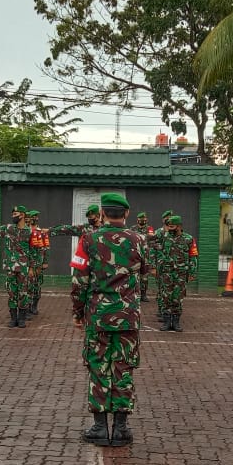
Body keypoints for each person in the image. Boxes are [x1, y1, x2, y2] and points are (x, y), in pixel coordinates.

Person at [71, 192, 146, 447]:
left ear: (102, 214)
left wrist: (78, 312)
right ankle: (122, 428)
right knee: (123, 367)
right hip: (127, 317)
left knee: (99, 367)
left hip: (99, 317)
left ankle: (100, 428)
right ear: (126, 214)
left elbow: (79, 279)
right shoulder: (139, 240)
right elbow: (146, 272)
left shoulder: (88, 239)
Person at [154, 215, 197, 332]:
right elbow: (154, 251)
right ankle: (167, 322)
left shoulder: (188, 239)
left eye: (172, 226)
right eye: (169, 226)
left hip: (181, 273)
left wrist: (192, 271)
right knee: (166, 297)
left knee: (178, 297)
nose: (170, 228)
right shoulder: (163, 237)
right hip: (166, 273)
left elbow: (193, 256)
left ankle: (176, 322)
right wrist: (155, 267)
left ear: (179, 226)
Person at [129, 212, 155, 302]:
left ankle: (144, 294)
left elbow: (151, 236)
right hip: (135, 254)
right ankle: (135, 294)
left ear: (146, 220)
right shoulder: (132, 228)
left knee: (144, 276)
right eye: (140, 219)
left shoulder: (149, 228)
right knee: (134, 274)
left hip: (146, 255)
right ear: (137, 220)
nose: (142, 221)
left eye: (144, 219)